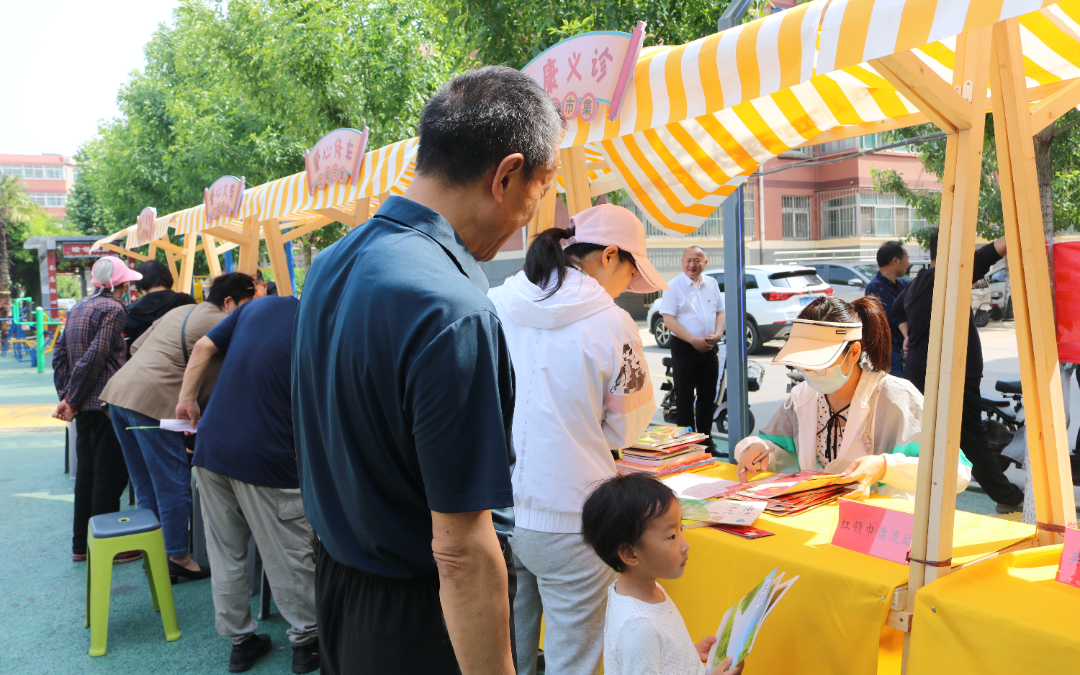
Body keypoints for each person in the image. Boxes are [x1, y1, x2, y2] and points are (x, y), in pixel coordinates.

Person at [292, 66, 563, 675]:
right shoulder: (451, 308)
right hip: (418, 619)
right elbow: (461, 550)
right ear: (507, 175)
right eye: (538, 193)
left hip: (338, 584)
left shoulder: (332, 263)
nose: (530, 216)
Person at [488, 204, 666, 675]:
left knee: (509, 647)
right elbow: (627, 427)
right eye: (631, 272)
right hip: (573, 514)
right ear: (609, 256)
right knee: (574, 657)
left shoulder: (498, 302)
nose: (630, 285)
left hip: (499, 506)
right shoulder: (612, 323)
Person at [175, 295, 319, 674]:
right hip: (266, 455)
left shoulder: (258, 306)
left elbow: (204, 345)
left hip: (212, 447)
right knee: (288, 552)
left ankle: (241, 642)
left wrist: (187, 399)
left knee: (226, 553)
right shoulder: (326, 320)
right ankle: (308, 642)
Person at [100, 272, 257, 581]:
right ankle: (178, 558)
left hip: (119, 396)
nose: (252, 311)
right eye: (249, 304)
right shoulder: (224, 322)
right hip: (152, 404)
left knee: (146, 483)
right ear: (229, 301)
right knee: (173, 483)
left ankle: (155, 552)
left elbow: (136, 347)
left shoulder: (181, 310)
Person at [734, 296, 972, 499]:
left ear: (854, 352)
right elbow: (780, 448)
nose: (810, 373)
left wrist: (885, 467)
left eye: (820, 363)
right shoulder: (802, 397)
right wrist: (758, 447)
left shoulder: (896, 397)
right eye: (803, 365)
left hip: (882, 529)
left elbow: (956, 473)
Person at [891, 231, 1025, 512]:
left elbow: (896, 310)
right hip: (949, 371)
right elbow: (990, 253)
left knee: (936, 437)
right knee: (970, 437)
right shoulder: (946, 275)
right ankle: (1008, 498)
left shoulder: (919, 282)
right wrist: (1019, 227)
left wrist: (907, 335)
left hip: (925, 369)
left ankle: (929, 498)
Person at [581, 474, 744, 675]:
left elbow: (657, 658)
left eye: (681, 528)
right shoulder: (638, 628)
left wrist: (689, 653)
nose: (685, 545)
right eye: (672, 536)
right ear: (631, 554)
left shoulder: (647, 590)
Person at [52, 256, 143, 564]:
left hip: (83, 406)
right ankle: (109, 547)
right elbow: (96, 355)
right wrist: (73, 400)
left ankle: (82, 545)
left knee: (88, 474)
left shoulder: (77, 307)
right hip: (105, 402)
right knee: (111, 475)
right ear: (121, 283)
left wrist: (67, 396)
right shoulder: (114, 309)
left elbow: (60, 355)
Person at [660, 246, 725, 450]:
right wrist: (693, 340)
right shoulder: (672, 286)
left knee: (707, 398)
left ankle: (706, 441)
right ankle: (686, 446)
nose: (692, 265)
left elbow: (721, 312)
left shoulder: (712, 284)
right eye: (688, 260)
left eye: (697, 260)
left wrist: (717, 334)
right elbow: (668, 320)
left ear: (705, 263)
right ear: (682, 262)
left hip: (709, 347)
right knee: (685, 398)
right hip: (684, 347)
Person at [123, 259, 195, 355]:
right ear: (169, 278)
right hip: (183, 364)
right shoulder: (186, 301)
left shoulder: (129, 312)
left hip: (143, 365)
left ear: (139, 285)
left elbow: (126, 350)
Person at [864, 240, 910, 378]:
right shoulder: (875, 288)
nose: (908, 264)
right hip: (891, 352)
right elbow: (893, 318)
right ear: (896, 260)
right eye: (906, 259)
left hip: (905, 350)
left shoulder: (903, 284)